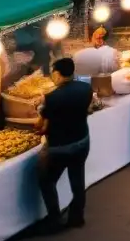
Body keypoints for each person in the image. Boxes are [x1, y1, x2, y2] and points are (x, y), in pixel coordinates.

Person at [36, 58, 93, 231]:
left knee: (46, 180)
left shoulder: (51, 98)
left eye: (54, 73)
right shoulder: (85, 88)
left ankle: (55, 219)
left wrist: (39, 109)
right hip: (82, 141)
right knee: (77, 180)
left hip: (60, 147)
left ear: (58, 74)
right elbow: (87, 109)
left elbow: (41, 127)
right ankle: (77, 217)